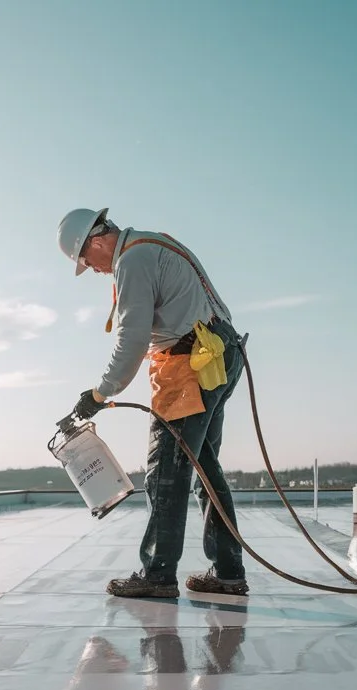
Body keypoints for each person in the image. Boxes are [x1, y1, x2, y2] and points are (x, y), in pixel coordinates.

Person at [57, 206, 249, 599]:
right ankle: (229, 573)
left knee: (166, 472)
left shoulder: (132, 260)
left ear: (95, 242)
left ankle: (158, 574)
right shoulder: (153, 243)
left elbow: (132, 341)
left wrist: (99, 394)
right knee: (205, 467)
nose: (92, 270)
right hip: (220, 354)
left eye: (85, 262)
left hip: (192, 366)